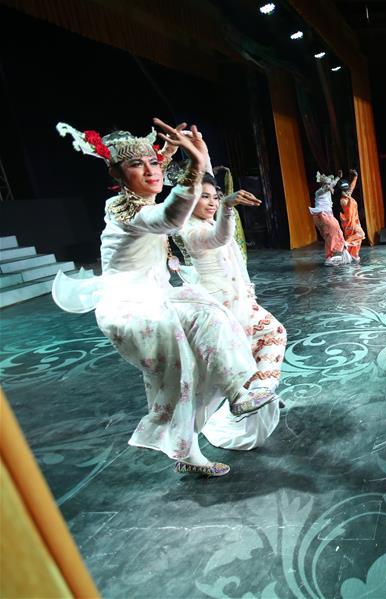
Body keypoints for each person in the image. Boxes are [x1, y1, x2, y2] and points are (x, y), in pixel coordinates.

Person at [53, 119, 276, 477]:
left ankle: (226, 408)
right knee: (187, 368)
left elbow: (178, 195)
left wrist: (172, 153)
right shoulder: (128, 212)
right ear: (116, 173)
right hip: (133, 309)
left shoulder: (142, 202)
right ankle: (229, 402)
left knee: (197, 353)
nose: (150, 170)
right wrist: (198, 165)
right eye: (135, 165)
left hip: (159, 298)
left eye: (153, 163)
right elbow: (170, 217)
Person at [174, 173, 284, 450]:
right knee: (245, 353)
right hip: (219, 306)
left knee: (266, 338)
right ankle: (252, 398)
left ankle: (260, 392)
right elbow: (219, 237)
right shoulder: (189, 229)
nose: (212, 202)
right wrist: (227, 207)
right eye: (204, 197)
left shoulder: (208, 221)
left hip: (238, 299)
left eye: (215, 197)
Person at [309, 171, 348, 266]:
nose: (329, 185)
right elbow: (325, 189)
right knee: (335, 229)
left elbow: (333, 183)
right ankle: (336, 252)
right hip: (322, 215)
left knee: (332, 235)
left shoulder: (329, 187)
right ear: (322, 184)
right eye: (327, 184)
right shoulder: (318, 192)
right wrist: (328, 187)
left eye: (329, 184)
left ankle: (329, 257)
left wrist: (338, 177)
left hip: (326, 216)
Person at [339, 168, 366, 263]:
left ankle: (353, 254)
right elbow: (348, 211)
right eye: (346, 190)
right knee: (361, 234)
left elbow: (352, 187)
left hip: (355, 221)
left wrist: (355, 177)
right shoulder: (343, 200)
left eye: (348, 190)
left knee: (358, 239)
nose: (349, 191)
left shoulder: (348, 195)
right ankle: (345, 243)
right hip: (349, 222)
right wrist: (349, 198)